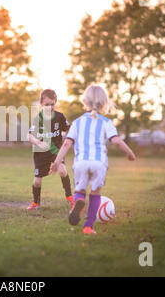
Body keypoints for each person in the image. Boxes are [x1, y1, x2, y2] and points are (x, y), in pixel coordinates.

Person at [50, 85, 136, 235]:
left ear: (85, 101)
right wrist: (130, 153)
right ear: (104, 103)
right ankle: (88, 227)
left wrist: (57, 162)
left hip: (81, 162)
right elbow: (116, 141)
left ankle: (78, 203)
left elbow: (66, 144)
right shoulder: (106, 122)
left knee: (80, 190)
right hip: (98, 163)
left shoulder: (77, 122)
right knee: (95, 193)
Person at [26, 89, 74, 210]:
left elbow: (70, 128)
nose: (50, 107)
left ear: (55, 103)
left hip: (56, 151)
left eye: (52, 104)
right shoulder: (39, 119)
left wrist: (73, 135)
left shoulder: (59, 116)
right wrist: (36, 141)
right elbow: (29, 135)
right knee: (37, 182)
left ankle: (70, 197)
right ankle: (36, 202)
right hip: (41, 153)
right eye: (47, 104)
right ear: (41, 104)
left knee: (62, 170)